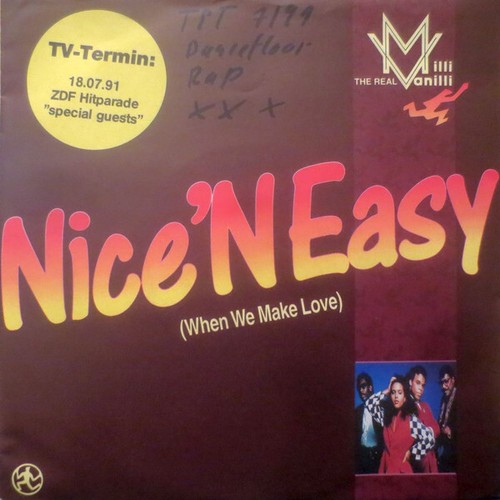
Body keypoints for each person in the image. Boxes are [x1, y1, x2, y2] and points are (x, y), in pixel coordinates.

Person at [365, 375, 435, 474]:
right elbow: (369, 403)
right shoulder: (385, 417)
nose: (396, 396)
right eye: (393, 392)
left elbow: (430, 439)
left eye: (400, 392)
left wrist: (411, 452)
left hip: (402, 471)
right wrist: (388, 390)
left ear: (405, 397)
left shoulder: (412, 421)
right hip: (386, 468)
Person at [406, 365, 440, 473]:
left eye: (423, 385)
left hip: (431, 461)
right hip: (417, 462)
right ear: (410, 382)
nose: (421, 388)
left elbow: (437, 428)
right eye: (418, 383)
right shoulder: (405, 405)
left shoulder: (425, 406)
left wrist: (428, 432)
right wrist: (430, 433)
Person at [355, 373, 383, 474]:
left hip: (377, 457)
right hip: (361, 457)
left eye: (363, 386)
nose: (361, 391)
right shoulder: (357, 411)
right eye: (359, 388)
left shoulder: (380, 409)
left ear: (370, 387)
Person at [436, 365, 457, 472]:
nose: (443, 386)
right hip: (446, 450)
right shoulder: (443, 399)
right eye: (441, 383)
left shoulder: (460, 398)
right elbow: (440, 424)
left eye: (446, 381)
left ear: (453, 380)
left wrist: (450, 432)